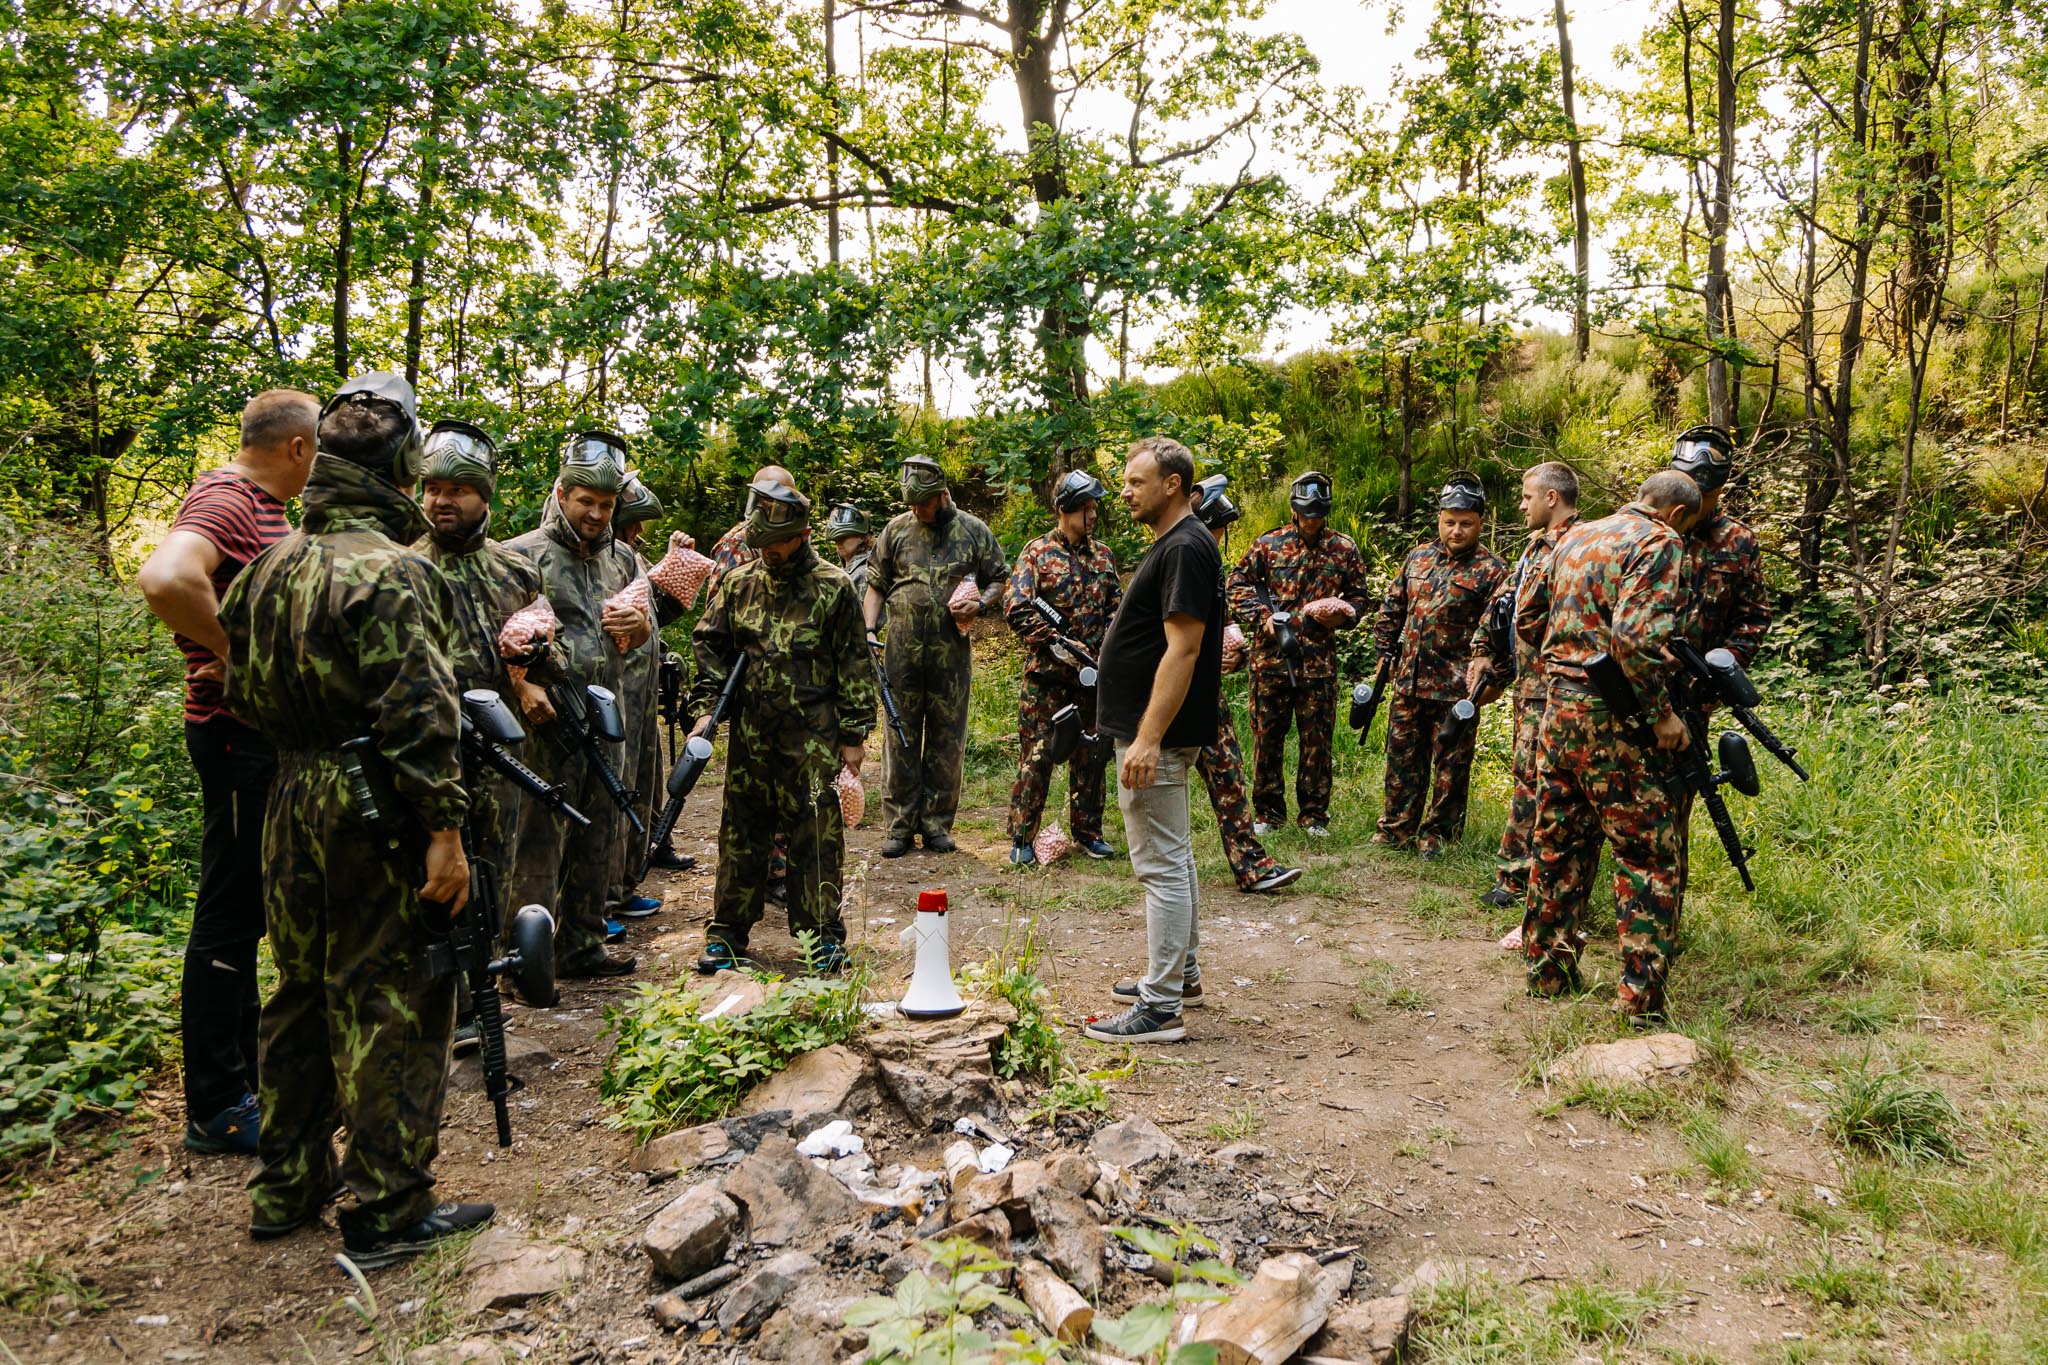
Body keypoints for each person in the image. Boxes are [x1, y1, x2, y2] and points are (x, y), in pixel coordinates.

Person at [218, 372, 492, 1265]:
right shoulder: (394, 572)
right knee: (394, 995)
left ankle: (286, 1181)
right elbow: (421, 713)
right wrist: (444, 831)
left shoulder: (264, 569)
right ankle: (386, 1205)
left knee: (298, 989)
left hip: (287, 798)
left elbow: (234, 685)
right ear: (403, 470)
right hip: (373, 805)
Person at [139, 388, 318, 1156]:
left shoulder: (256, 504)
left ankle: (245, 1076)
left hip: (255, 742)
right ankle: (216, 1103)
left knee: (251, 908)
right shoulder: (229, 497)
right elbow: (165, 578)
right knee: (230, 912)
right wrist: (238, 660)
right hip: (234, 740)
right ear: (299, 449)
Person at [1519, 470, 1701, 1020]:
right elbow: (1634, 639)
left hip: (1558, 710)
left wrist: (1572, 649)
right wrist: (1660, 714)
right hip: (1615, 721)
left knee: (1558, 841)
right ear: (1675, 514)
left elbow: (1527, 618)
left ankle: (1547, 973)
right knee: (1647, 854)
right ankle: (1638, 1001)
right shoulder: (1658, 541)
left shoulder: (1574, 535)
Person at [690, 481, 875, 974]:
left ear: (803, 535)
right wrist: (707, 709)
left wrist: (854, 736)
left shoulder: (834, 587)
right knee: (741, 832)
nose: (769, 553)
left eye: (778, 544)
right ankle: (728, 932)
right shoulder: (739, 583)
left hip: (815, 737)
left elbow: (855, 662)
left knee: (816, 833)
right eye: (762, 545)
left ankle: (821, 937)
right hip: (751, 735)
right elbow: (709, 644)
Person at [1085, 437, 1224, 1044]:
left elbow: (1184, 648)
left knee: (1161, 865)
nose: (1124, 491)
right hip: (1163, 734)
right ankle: (1181, 973)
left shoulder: (1187, 547)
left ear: (1172, 484)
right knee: (1177, 854)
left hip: (1159, 738)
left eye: (1135, 481)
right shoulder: (1178, 545)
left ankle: (1161, 1005)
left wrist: (1147, 738)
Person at [412, 419, 546, 1042]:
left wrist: (541, 661)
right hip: (422, 753)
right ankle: (434, 1006)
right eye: (432, 486)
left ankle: (478, 997)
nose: (443, 499)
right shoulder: (401, 569)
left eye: (458, 488)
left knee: (489, 874)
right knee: (430, 877)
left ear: (485, 497)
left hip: (496, 755)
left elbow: (550, 653)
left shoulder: (515, 572)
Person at [503, 432, 651, 978]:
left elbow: (638, 636)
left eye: (607, 505)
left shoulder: (622, 559)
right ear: (562, 494)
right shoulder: (520, 557)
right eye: (585, 501)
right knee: (539, 842)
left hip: (604, 716)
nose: (595, 513)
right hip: (542, 726)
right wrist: (521, 687)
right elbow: (497, 639)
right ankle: (528, 960)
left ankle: (582, 945)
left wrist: (638, 627)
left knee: (600, 830)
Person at [863, 455, 1009, 856]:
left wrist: (980, 604)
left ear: (942, 495)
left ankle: (936, 824)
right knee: (900, 737)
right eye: (911, 504)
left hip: (950, 657)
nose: (916, 510)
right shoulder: (896, 530)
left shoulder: (973, 531)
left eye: (922, 503)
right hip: (901, 654)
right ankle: (899, 826)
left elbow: (999, 577)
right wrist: (869, 628)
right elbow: (876, 584)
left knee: (947, 739)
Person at [1225, 470, 1373, 837]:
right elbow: (1236, 585)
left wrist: (1343, 615)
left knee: (1317, 743)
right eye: (1306, 514)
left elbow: (1360, 598)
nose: (1311, 521)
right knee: (1268, 739)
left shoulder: (1344, 548)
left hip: (1318, 663)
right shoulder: (1268, 545)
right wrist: (1264, 620)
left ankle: (1313, 816)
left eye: (1318, 515)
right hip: (1271, 662)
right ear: (1294, 510)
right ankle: (1268, 813)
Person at [1370, 472, 1509, 859]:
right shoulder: (1419, 557)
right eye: (1450, 522)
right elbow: (1393, 607)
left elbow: (1499, 634)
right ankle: (1396, 829)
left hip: (1455, 690)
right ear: (1439, 520)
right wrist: (1385, 653)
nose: (1457, 531)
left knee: (1451, 766)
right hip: (1409, 681)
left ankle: (1439, 837)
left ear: (1481, 522)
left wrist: (1491, 680)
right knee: (1401, 759)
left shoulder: (1494, 570)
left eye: (1466, 523)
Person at [1668, 426, 1772, 917]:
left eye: (1703, 494)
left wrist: (1721, 674)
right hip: (1632, 689)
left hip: (1691, 697)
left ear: (1719, 491)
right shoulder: (1650, 527)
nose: (1692, 500)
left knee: (1675, 807)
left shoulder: (1738, 543)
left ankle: (1663, 918)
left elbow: (1753, 618)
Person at [1471, 463, 1582, 908]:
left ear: (1551, 498)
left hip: (1556, 688)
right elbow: (1505, 603)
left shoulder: (1577, 547)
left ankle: (1524, 879)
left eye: (1527, 495)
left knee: (1540, 783)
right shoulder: (1536, 546)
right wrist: (1485, 651)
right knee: (1528, 778)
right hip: (1528, 686)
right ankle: (1525, 876)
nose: (1521, 504)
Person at [1189, 479, 1303, 900]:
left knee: (1227, 772)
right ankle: (1162, 866)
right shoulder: (1187, 559)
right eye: (1219, 530)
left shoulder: (1205, 562)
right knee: (1164, 783)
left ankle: (1250, 865)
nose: (1221, 539)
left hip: (1203, 688)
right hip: (1177, 689)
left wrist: (1229, 641)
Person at [1004, 471, 1121, 865]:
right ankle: (1022, 838)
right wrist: (1054, 642)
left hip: (1091, 679)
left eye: (1093, 508)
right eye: (1085, 508)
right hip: (1046, 679)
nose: (1091, 515)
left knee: (1092, 757)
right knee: (1037, 757)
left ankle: (1088, 832)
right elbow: (1016, 607)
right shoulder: (1037, 554)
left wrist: (1105, 648)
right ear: (1063, 509)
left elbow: (1116, 609)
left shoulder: (1103, 556)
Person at [608, 475, 670, 922]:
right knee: (615, 793)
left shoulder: (628, 558)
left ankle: (623, 886)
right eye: (633, 524)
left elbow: (653, 612)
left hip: (641, 696)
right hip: (612, 701)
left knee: (642, 788)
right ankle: (602, 897)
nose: (639, 533)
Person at [825, 503, 875, 599]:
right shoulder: (850, 570)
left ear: (861, 537)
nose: (839, 543)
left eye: (844, 537)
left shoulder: (864, 573)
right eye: (836, 539)